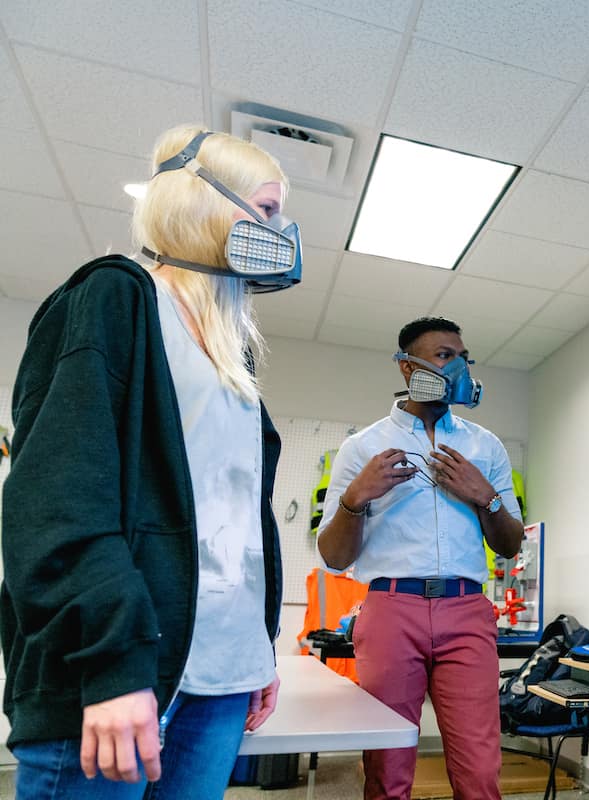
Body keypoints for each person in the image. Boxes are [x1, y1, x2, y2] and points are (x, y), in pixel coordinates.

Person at [1, 124, 303, 798]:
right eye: (267, 209)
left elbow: (236, 523)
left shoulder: (235, 360)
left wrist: (256, 649)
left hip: (220, 675)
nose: (282, 232)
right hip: (119, 671)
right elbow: (56, 506)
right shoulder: (115, 299)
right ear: (201, 202)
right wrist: (112, 663)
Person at [317, 316, 524, 800]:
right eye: (444, 356)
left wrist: (485, 496)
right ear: (409, 369)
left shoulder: (485, 446)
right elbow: (332, 556)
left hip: (467, 611)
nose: (459, 367)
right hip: (391, 610)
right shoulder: (362, 447)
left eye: (463, 357)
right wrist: (355, 498)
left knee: (479, 772)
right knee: (386, 771)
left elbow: (510, 543)